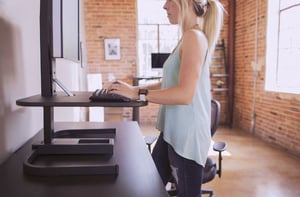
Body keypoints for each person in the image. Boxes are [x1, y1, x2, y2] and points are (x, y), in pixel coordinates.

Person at [109, 0, 224, 196]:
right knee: (150, 186)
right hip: (172, 132)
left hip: (187, 137)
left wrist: (137, 93)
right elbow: (169, 82)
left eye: (169, 0)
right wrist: (134, 89)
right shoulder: (188, 37)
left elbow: (184, 94)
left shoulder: (194, 37)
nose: (164, 6)